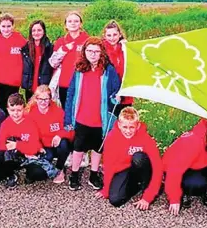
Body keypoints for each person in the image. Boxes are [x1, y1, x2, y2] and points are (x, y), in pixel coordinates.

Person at [63, 37, 121, 191]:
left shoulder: (109, 70)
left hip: (100, 118)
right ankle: (74, 174)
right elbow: (71, 93)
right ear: (84, 52)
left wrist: (116, 97)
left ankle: (94, 175)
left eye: (96, 51)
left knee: (98, 147)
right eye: (89, 51)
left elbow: (116, 89)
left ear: (102, 52)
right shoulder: (79, 69)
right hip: (82, 116)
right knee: (79, 147)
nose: (93, 54)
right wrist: (68, 116)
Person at [95, 107, 163, 210]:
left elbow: (157, 167)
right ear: (119, 125)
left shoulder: (146, 139)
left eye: (131, 127)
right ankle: (138, 185)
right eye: (125, 127)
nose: (128, 131)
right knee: (115, 200)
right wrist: (106, 189)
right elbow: (108, 166)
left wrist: (148, 198)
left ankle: (151, 187)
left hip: (143, 168)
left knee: (138, 157)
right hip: (125, 170)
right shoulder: (111, 138)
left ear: (138, 126)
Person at [0, 93, 58, 188]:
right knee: (0, 157)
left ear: (24, 109)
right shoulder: (5, 124)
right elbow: (0, 146)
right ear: (8, 110)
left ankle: (29, 175)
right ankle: (11, 175)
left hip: (29, 157)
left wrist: (17, 145)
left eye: (19, 110)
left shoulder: (30, 122)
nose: (16, 113)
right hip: (14, 156)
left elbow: (34, 147)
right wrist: (23, 148)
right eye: (12, 110)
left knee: (40, 173)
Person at [27, 85, 73, 184]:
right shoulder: (30, 113)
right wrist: (38, 147)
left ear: (50, 99)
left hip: (56, 145)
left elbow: (69, 127)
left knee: (64, 144)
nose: (43, 102)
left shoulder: (58, 111)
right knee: (36, 174)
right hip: (42, 147)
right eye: (40, 99)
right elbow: (30, 135)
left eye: (46, 99)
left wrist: (59, 135)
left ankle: (60, 168)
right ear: (36, 98)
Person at [50, 11, 90, 106]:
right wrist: (64, 49)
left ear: (81, 24)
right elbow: (53, 63)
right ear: (66, 25)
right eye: (70, 21)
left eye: (76, 21)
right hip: (64, 83)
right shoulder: (61, 42)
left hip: (82, 84)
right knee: (66, 111)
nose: (73, 23)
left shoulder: (87, 40)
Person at [0, 13, 27, 111]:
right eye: (3, 26)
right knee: (2, 107)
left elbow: (27, 56)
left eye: (8, 26)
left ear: (13, 26)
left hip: (14, 82)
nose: (6, 29)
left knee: (13, 106)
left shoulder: (20, 40)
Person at [102, 20, 133, 114]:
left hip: (125, 91)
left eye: (115, 35)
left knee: (125, 118)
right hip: (108, 92)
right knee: (110, 120)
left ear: (120, 34)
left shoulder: (125, 48)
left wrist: (127, 48)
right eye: (109, 35)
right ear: (104, 36)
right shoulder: (102, 50)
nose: (112, 38)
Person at [21, 20, 54, 100]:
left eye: (39, 30)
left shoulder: (50, 49)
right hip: (30, 88)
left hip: (44, 89)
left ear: (44, 31)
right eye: (34, 30)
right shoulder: (26, 49)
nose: (36, 33)